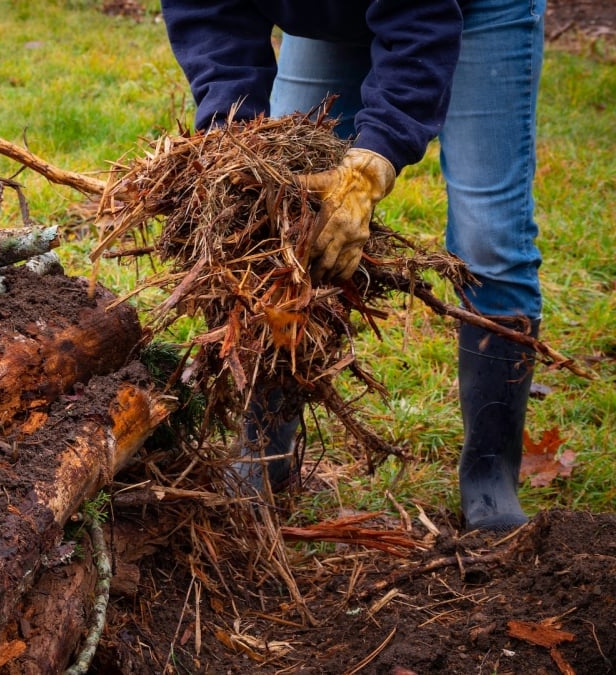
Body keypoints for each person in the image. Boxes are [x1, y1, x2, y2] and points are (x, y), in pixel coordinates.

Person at [160, 0, 545, 532]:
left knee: (489, 238)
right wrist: (238, 134)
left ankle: (490, 475)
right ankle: (262, 456)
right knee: (285, 219)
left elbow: (421, 18)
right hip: (330, 14)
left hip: (472, 8)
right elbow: (208, 14)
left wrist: (375, 157)